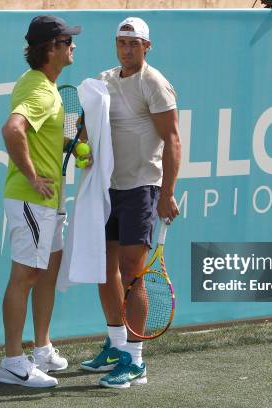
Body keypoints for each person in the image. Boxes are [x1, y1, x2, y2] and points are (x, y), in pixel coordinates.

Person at [79, 17, 181, 389]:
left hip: (142, 187)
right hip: (107, 187)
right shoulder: (104, 81)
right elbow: (87, 125)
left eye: (134, 44)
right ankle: (117, 344)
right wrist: (83, 148)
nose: (127, 49)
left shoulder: (154, 84)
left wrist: (167, 192)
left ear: (146, 47)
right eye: (122, 43)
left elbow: (172, 140)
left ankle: (136, 362)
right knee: (105, 270)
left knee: (132, 272)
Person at [0, 15, 81, 388]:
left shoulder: (43, 85)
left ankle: (42, 348)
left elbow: (48, 137)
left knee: (48, 268)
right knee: (26, 274)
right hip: (32, 199)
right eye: (67, 41)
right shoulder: (39, 90)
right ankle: (13, 361)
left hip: (50, 201)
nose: (72, 46)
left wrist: (75, 145)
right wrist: (32, 176)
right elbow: (12, 129)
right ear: (51, 49)